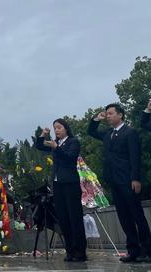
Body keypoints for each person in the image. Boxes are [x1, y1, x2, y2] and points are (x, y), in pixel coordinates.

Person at [88, 103, 151, 262]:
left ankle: (147, 250)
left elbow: (135, 156)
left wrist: (135, 178)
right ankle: (133, 250)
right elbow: (91, 131)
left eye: (110, 113)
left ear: (120, 115)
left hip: (128, 180)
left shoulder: (130, 132)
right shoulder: (108, 134)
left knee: (137, 216)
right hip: (114, 181)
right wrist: (97, 119)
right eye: (107, 114)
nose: (108, 116)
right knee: (124, 217)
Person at [35, 119, 87, 262]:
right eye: (54, 128)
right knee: (63, 218)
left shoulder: (73, 142)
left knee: (74, 217)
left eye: (59, 127)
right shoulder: (54, 144)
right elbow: (39, 146)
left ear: (66, 129)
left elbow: (70, 158)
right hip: (58, 184)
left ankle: (80, 251)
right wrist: (43, 135)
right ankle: (69, 251)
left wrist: (56, 148)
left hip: (70, 183)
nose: (56, 130)